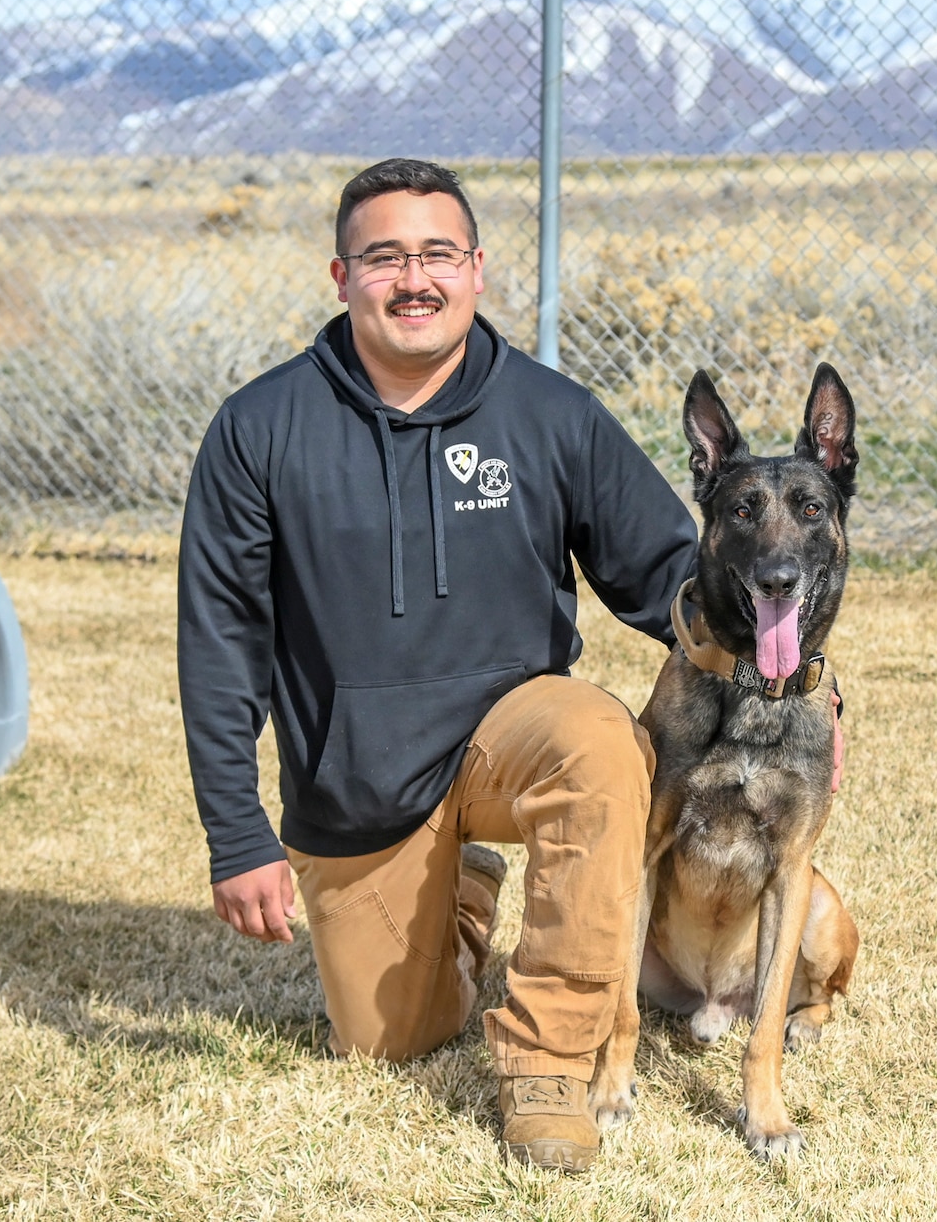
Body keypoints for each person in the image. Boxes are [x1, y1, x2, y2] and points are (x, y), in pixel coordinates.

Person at [177, 158, 699, 1173]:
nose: (411, 280)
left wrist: (794, 671)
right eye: (383, 257)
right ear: (340, 276)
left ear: (475, 269)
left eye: (435, 255)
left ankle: (549, 1062)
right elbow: (221, 633)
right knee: (386, 1041)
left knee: (599, 740)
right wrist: (235, 832)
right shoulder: (259, 429)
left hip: (515, 737)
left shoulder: (550, 415)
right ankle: (457, 896)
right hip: (360, 780)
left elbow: (671, 575)